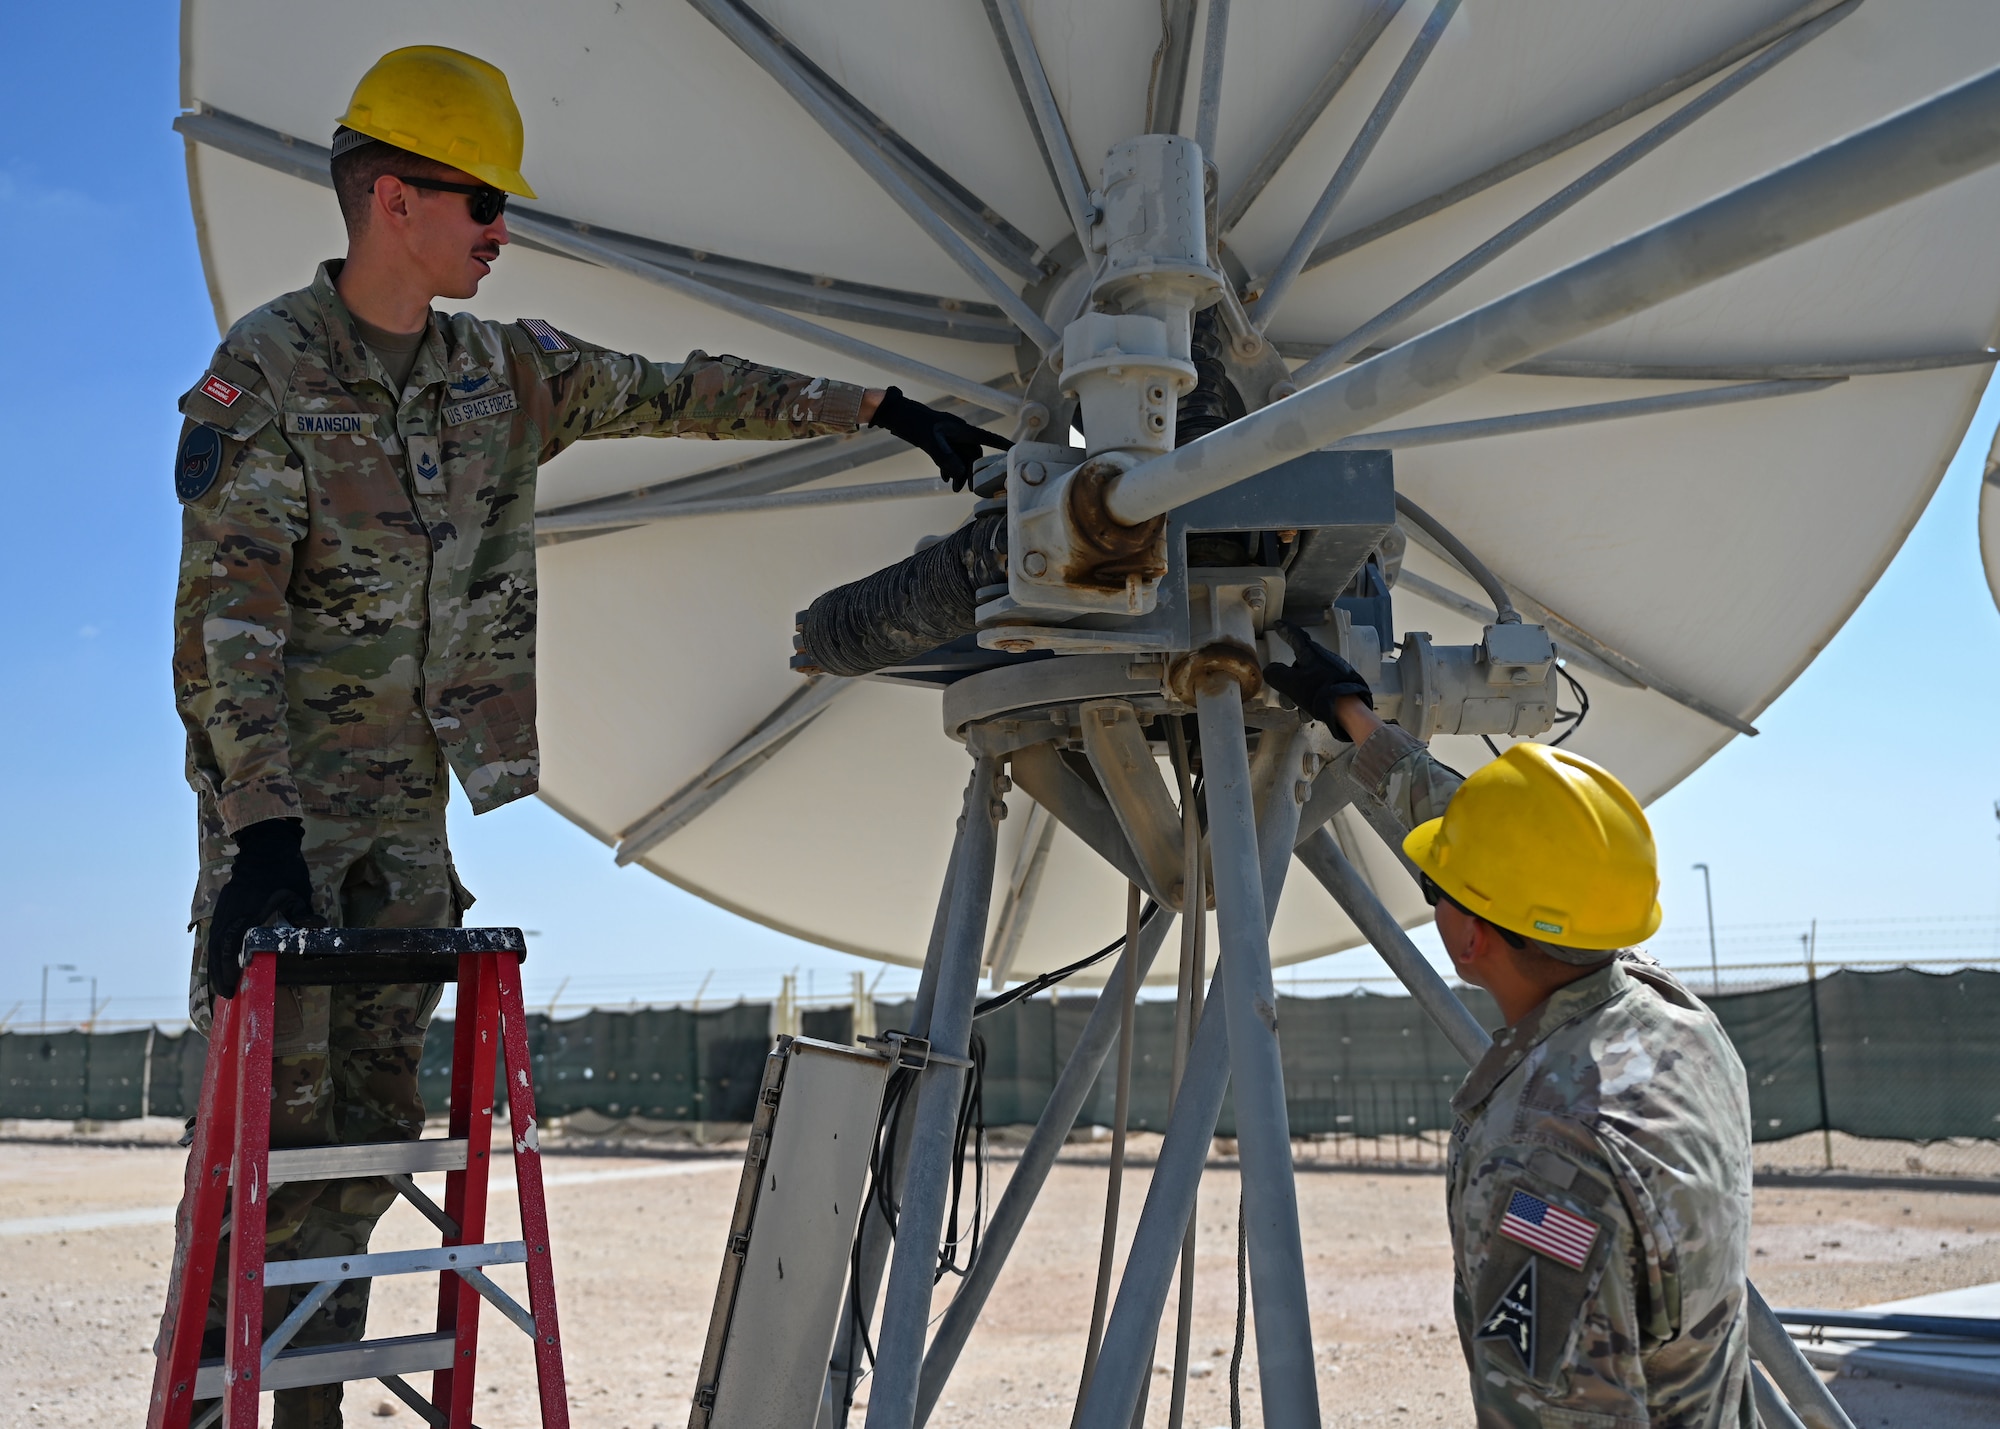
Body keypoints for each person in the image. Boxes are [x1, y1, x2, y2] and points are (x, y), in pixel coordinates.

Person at [171, 45, 1008, 1426]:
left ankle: (306, 1412)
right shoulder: (262, 374)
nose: (506, 232)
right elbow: (229, 623)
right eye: (483, 202)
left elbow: (682, 388)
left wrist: (874, 409)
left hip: (405, 841)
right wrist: (258, 835)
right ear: (393, 199)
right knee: (267, 1154)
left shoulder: (504, 375)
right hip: (287, 842)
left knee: (360, 1163)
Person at [1266, 625, 1755, 1426]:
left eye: (1440, 884)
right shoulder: (1675, 1020)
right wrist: (1349, 712)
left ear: (1473, 935)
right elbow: (1501, 843)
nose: (1435, 887)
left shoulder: (1542, 1166)